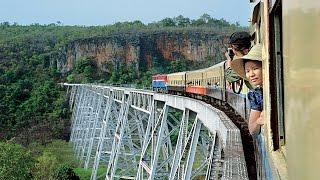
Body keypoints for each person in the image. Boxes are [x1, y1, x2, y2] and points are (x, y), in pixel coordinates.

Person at [231, 44, 263, 135]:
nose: (251, 74)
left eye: (255, 68)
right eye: (247, 71)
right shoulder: (256, 95)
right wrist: (260, 120)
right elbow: (252, 129)